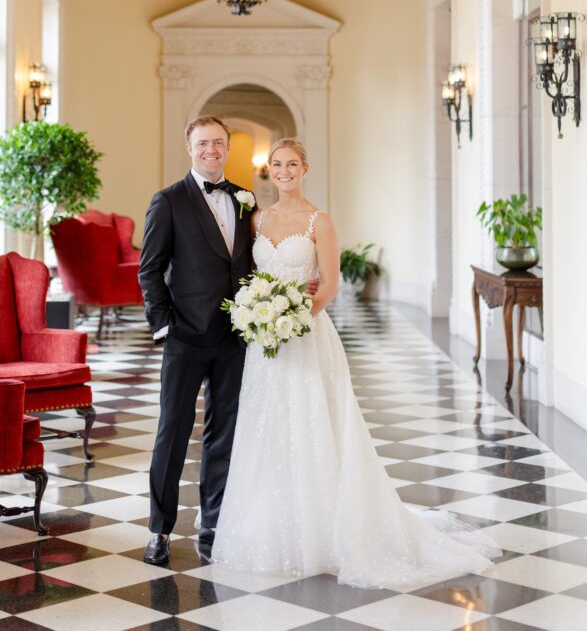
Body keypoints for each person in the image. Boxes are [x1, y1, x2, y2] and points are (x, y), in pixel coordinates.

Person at [212, 137, 500, 590]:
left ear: (305, 168)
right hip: (264, 341)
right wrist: (259, 316)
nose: (284, 171)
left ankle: (326, 529)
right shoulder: (258, 219)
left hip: (304, 334)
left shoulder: (318, 221)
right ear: (270, 170)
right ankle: (274, 524)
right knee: (267, 425)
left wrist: (293, 319)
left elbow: (328, 284)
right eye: (277, 164)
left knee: (314, 424)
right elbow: (248, 276)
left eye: (292, 164)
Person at [138, 115, 254, 566]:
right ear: (189, 148)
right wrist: (165, 325)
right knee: (173, 431)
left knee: (223, 434)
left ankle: (212, 525)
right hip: (185, 337)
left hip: (234, 339)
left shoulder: (244, 198)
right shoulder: (167, 201)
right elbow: (149, 269)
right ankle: (160, 530)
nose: (212, 150)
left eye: (219, 143)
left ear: (228, 147)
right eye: (203, 143)